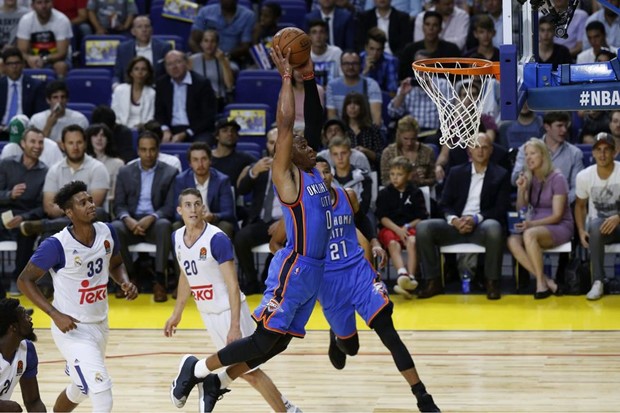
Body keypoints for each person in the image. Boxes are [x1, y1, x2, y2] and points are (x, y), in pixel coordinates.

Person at [168, 48, 329, 412]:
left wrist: (310, 77)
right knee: (261, 340)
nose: (305, 143)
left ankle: (218, 381)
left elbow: (314, 120)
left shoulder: (312, 168)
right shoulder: (287, 176)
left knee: (279, 343)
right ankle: (196, 368)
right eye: (297, 144)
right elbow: (288, 124)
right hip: (296, 266)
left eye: (308, 144)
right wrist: (287, 79)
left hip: (314, 272)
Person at [270, 155, 440, 412]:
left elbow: (361, 220)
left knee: (388, 332)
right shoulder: (300, 207)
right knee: (350, 351)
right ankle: (336, 333)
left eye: (327, 172)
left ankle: (422, 396)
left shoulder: (347, 196)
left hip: (359, 274)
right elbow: (276, 243)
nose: (324, 177)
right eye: (318, 173)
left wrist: (373, 241)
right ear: (310, 179)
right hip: (328, 285)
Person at [164, 188, 300, 413]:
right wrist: (176, 313)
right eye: (187, 205)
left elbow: (233, 285)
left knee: (251, 370)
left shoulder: (216, 239)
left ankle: (286, 410)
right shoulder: (176, 237)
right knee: (246, 370)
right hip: (208, 313)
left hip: (228, 311)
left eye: (197, 204)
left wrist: (235, 325)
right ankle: (211, 382)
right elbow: (185, 275)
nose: (193, 209)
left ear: (203, 208)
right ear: (179, 210)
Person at [17, 180, 138, 413]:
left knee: (81, 387)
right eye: (83, 203)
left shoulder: (107, 231)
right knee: (102, 393)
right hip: (71, 329)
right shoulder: (56, 245)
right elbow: (24, 280)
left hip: (100, 323)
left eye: (90, 200)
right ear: (69, 212)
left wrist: (124, 281)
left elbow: (116, 263)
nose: (91, 205)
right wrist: (55, 314)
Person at [416, 133, 510, 300]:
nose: (480, 151)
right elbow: (444, 203)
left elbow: (500, 208)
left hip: (482, 226)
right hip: (456, 225)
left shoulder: (500, 174)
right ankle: (433, 281)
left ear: (491, 151)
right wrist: (454, 219)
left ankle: (492, 282)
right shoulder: (456, 172)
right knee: (424, 228)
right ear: (469, 150)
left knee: (494, 227)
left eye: (484, 147)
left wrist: (475, 219)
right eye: (476, 146)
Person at [112, 130, 178, 303]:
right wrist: (128, 219)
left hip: (155, 222)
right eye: (144, 149)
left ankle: (159, 281)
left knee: (165, 225)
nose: (148, 154)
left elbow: (170, 207)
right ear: (138, 150)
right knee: (116, 228)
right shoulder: (125, 171)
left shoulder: (170, 172)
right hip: (131, 221)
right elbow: (118, 205)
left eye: (152, 149)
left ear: (158, 150)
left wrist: (152, 217)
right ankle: (130, 279)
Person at [507, 138, 574, 299]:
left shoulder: (558, 178)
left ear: (543, 155)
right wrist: (521, 190)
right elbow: (521, 209)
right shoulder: (530, 177)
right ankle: (546, 280)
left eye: (533, 154)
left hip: (560, 225)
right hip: (536, 225)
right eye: (526, 154)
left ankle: (540, 284)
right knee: (512, 241)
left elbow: (557, 215)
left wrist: (531, 224)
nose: (528, 158)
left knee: (529, 235)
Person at [0, 127, 48, 296]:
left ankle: (17, 279)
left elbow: (43, 207)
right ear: (22, 144)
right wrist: (9, 194)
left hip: (25, 218)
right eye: (33, 141)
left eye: (40, 142)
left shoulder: (45, 172)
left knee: (27, 231)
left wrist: (23, 217)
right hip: (3, 215)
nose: (37, 145)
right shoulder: (6, 164)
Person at [234, 127, 281, 294]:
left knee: (284, 240)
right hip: (261, 220)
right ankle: (251, 280)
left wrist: (284, 222)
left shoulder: (295, 168)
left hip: (285, 222)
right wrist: (253, 172)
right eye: (271, 142)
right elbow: (241, 190)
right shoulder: (259, 166)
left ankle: (266, 278)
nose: (274, 146)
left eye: (278, 141)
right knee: (241, 238)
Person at [575, 133, 620, 301]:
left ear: (614, 152)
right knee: (594, 226)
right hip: (601, 230)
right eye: (598, 150)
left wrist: (618, 217)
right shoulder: (584, 176)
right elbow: (580, 205)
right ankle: (598, 281)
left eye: (606, 150)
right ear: (592, 153)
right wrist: (580, 230)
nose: (602, 154)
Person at [376, 156, 428, 298]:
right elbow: (382, 217)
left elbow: (421, 216)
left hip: (408, 228)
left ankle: (411, 278)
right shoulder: (384, 193)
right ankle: (402, 274)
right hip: (390, 229)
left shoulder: (416, 193)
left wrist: (406, 227)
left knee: (412, 241)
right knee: (393, 243)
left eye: (399, 174)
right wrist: (397, 230)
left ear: (409, 175)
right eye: (392, 174)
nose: (395, 178)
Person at [511, 111, 584, 205]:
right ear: (547, 127)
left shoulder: (575, 153)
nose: (564, 130)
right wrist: (527, 170)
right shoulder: (526, 149)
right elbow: (514, 179)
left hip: (563, 207)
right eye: (559, 126)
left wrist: (560, 203)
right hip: (533, 206)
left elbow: (577, 188)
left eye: (566, 126)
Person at [173, 142, 236, 239]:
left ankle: (218, 254)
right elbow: (177, 213)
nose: (200, 164)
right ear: (190, 163)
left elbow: (228, 212)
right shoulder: (181, 180)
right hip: (189, 222)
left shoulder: (222, 180)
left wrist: (212, 216)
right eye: (195, 160)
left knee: (226, 226)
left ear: (210, 160)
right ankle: (181, 254)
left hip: (214, 223)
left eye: (204, 159)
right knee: (176, 226)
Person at [155, 50, 216, 143]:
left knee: (200, 146)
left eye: (178, 62)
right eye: (169, 64)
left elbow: (208, 117)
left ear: (187, 63)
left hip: (197, 130)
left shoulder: (202, 83)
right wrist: (165, 130)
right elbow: (159, 113)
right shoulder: (162, 84)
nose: (174, 67)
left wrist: (186, 133)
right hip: (171, 129)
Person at [0, 298, 46, 412]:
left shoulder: (27, 350)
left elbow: (33, 401)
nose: (30, 318)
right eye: (25, 316)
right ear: (13, 327)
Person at [189, 0, 255, 67]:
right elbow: (193, 40)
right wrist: (204, 57)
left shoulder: (248, 16)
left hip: (230, 60)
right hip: (204, 58)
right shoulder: (206, 13)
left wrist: (225, 57)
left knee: (231, 69)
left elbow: (245, 46)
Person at [16, 0, 73, 77]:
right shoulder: (25, 20)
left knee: (60, 66)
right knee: (14, 65)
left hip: (57, 59)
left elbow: (62, 53)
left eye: (47, 2)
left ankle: (59, 88)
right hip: (32, 58)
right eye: (39, 3)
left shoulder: (62, 20)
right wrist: (29, 58)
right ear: (33, 6)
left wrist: (43, 59)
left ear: (52, 3)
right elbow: (21, 51)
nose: (43, 6)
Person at [326, 51, 383, 127]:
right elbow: (332, 118)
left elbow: (376, 120)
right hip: (343, 132)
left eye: (354, 64)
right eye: (346, 64)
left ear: (360, 65)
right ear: (341, 66)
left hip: (367, 130)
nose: (350, 67)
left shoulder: (371, 84)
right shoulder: (332, 85)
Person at [398, 12, 461, 81]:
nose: (431, 28)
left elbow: (458, 79)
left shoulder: (452, 50)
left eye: (435, 25)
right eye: (427, 24)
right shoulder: (410, 50)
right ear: (423, 27)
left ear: (440, 29)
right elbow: (402, 78)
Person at [0, 47, 47, 138]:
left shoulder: (35, 85)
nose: (14, 66)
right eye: (10, 64)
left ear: (23, 65)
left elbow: (40, 114)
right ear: (4, 66)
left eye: (17, 63)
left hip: (25, 132)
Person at [112, 15, 172, 86]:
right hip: (130, 90)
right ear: (133, 31)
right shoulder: (123, 49)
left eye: (147, 26)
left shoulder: (164, 47)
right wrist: (115, 86)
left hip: (157, 90)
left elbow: (169, 74)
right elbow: (117, 74)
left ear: (151, 30)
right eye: (139, 27)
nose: (144, 30)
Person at [380, 115, 436, 188]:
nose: (409, 143)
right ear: (399, 135)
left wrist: (420, 181)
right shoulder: (388, 153)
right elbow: (385, 181)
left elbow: (433, 180)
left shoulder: (427, 152)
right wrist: (406, 179)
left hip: (420, 193)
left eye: (413, 139)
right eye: (406, 139)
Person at [188, 29, 235, 113]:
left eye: (213, 41)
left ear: (217, 44)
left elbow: (229, 85)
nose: (209, 45)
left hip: (219, 102)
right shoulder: (192, 60)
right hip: (198, 102)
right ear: (201, 44)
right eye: (206, 41)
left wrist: (222, 61)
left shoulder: (224, 60)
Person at [341, 91, 384, 168]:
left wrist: (366, 152)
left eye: (356, 104)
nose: (352, 107)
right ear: (345, 107)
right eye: (349, 103)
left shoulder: (372, 129)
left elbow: (382, 158)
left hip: (370, 171)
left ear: (362, 107)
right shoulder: (341, 129)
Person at [210, 119, 257, 190]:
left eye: (233, 131)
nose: (230, 134)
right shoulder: (206, 157)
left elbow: (260, 165)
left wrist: (249, 169)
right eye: (225, 131)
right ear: (217, 136)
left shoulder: (244, 158)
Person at [111, 56, 155, 130]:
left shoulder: (152, 93)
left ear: (148, 73)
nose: (140, 72)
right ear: (131, 73)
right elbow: (114, 114)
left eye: (143, 69)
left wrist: (142, 126)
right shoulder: (119, 90)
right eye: (136, 69)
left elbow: (150, 117)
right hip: (121, 129)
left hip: (144, 130)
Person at [85, 123, 124, 206]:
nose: (99, 139)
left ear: (108, 139)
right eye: (95, 135)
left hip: (105, 207)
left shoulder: (118, 164)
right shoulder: (82, 162)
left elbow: (116, 195)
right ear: (89, 139)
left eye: (103, 136)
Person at [358, 27, 400, 95]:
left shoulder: (390, 61)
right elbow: (354, 89)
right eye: (372, 49)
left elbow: (392, 92)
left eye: (378, 50)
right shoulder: (358, 59)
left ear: (383, 49)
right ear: (366, 47)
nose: (375, 53)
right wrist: (365, 72)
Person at [308, 19, 343, 87]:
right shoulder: (304, 54)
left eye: (321, 32)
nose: (318, 36)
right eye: (314, 32)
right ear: (309, 36)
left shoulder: (336, 52)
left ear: (326, 35)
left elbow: (343, 78)